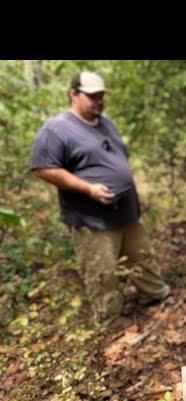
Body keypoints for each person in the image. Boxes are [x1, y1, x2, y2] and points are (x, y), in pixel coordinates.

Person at [30, 70, 171, 321]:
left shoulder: (106, 122)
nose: (99, 101)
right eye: (93, 96)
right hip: (92, 218)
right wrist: (88, 188)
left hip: (126, 211)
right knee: (103, 273)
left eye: (101, 96)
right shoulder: (56, 129)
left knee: (143, 258)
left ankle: (158, 299)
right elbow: (43, 168)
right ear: (74, 94)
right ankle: (110, 321)